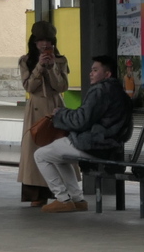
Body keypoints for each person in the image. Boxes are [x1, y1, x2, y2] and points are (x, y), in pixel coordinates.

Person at [33, 55, 134, 213]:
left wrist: (60, 114)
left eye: (95, 70)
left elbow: (81, 120)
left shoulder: (100, 90)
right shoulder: (120, 93)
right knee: (59, 156)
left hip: (93, 145)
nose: (90, 73)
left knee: (40, 155)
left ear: (107, 74)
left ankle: (62, 198)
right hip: (109, 147)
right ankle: (77, 198)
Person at [17, 21, 69, 206]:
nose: (45, 45)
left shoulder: (61, 60)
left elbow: (62, 86)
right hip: (36, 109)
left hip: (55, 106)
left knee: (58, 147)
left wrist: (52, 67)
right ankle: (36, 195)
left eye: (49, 41)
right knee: (34, 148)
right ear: (34, 42)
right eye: (41, 41)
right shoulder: (26, 60)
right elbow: (29, 87)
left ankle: (62, 194)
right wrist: (39, 67)